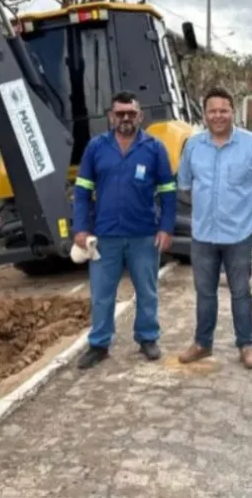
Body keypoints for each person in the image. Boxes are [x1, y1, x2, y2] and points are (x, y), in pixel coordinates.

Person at [72, 91, 177, 369]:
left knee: (147, 289)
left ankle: (147, 338)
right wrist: (80, 227)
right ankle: (99, 343)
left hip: (144, 233)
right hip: (105, 236)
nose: (126, 118)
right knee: (102, 293)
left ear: (139, 115)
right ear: (111, 116)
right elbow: (82, 191)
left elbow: (168, 191)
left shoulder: (155, 148)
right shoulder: (96, 148)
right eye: (120, 114)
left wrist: (166, 228)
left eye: (131, 113)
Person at [175, 87, 252, 369]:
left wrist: (244, 208)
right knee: (205, 293)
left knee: (240, 292)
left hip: (239, 235)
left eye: (224, 110)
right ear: (204, 114)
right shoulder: (193, 146)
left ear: (233, 112)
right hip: (203, 235)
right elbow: (185, 184)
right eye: (212, 111)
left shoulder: (251, 144)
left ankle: (246, 345)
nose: (218, 115)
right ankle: (202, 343)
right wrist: (207, 208)